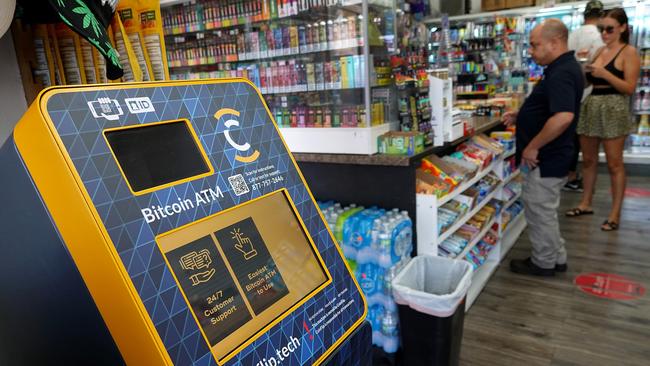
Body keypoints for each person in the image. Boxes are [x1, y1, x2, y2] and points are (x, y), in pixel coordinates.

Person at [503, 19, 584, 276]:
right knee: (545, 210)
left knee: (540, 211)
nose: (531, 51)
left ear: (555, 42)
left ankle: (544, 262)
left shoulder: (561, 72)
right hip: (555, 156)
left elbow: (562, 117)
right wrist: (523, 115)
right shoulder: (562, 68)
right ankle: (556, 256)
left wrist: (533, 147)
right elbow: (551, 109)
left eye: (535, 45)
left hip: (547, 158)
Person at [565, 8, 640, 231]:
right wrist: (583, 70)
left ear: (623, 28)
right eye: (601, 29)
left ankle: (615, 213)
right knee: (587, 159)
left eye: (609, 29)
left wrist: (604, 73)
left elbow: (629, 88)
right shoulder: (598, 51)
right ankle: (585, 202)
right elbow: (589, 84)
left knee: (614, 162)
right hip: (592, 105)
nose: (605, 33)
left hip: (614, 107)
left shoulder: (629, 52)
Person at [564, 0, 605, 192]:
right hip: (592, 92)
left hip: (572, 90)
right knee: (586, 141)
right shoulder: (601, 37)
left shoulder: (573, 35)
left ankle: (570, 174)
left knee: (570, 135)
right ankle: (578, 179)